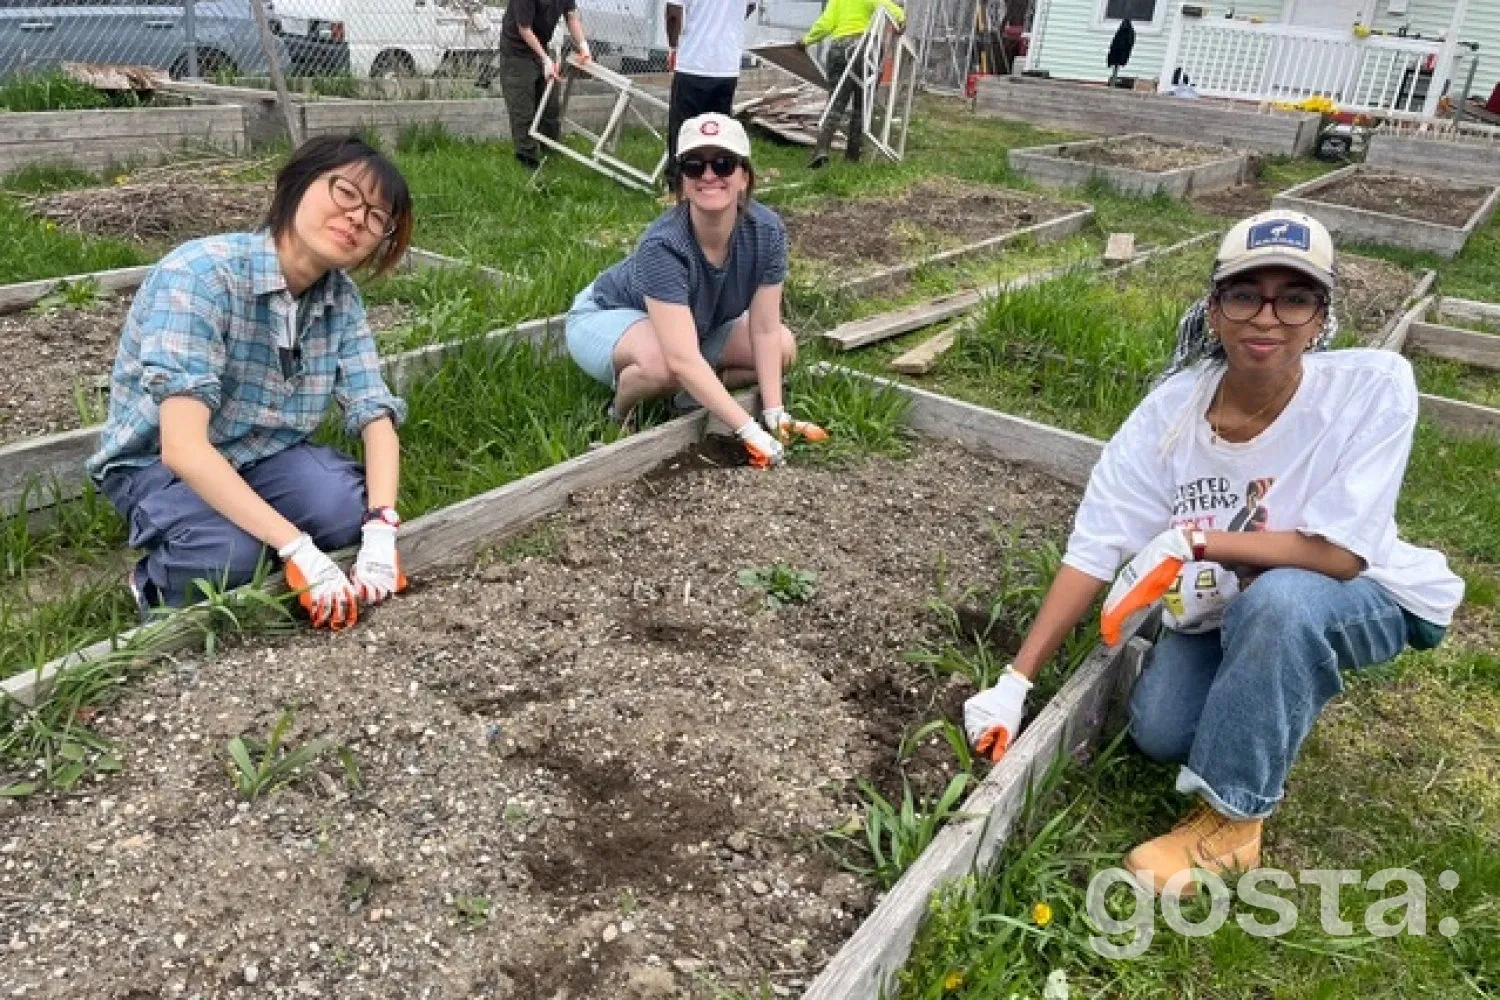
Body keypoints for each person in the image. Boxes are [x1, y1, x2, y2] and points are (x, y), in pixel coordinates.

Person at [961, 210, 1463, 895]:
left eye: (1294, 298)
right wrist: (1015, 683)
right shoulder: (1170, 413)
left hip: (1366, 593)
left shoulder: (1371, 388)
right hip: (1227, 605)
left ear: (1320, 318)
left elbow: (1343, 556)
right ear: (1215, 309)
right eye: (1245, 295)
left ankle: (1233, 821)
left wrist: (1195, 541)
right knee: (1160, 734)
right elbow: (1097, 542)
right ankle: (1271, 686)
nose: (1267, 317)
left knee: (1281, 604)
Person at [86, 136, 417, 631]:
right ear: (298, 184)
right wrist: (297, 547)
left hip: (264, 452)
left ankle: (263, 526)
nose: (356, 219)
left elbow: (374, 412)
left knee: (347, 511)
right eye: (346, 193)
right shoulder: (200, 276)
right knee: (229, 557)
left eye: (376, 218)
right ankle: (151, 581)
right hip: (157, 463)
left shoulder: (340, 300)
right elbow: (182, 448)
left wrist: (381, 528)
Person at [564, 113, 826, 468]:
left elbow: (764, 329)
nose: (709, 175)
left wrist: (775, 414)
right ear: (682, 182)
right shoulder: (663, 246)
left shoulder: (767, 232)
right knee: (663, 366)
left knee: (783, 347)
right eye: (694, 165)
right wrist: (748, 430)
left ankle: (686, 394)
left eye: (723, 163)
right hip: (609, 313)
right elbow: (682, 357)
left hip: (694, 325)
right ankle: (620, 415)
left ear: (744, 177)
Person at [793, 0, 906, 169]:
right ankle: (852, 157)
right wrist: (901, 18)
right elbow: (884, 5)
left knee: (836, 101)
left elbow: (825, 23)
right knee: (861, 106)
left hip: (839, 49)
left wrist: (806, 40)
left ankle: (821, 149)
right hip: (865, 48)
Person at [490, 0, 591, 169]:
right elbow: (524, 28)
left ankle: (551, 149)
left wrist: (583, 46)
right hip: (517, 52)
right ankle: (527, 158)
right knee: (522, 109)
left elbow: (571, 16)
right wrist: (545, 59)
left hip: (541, 46)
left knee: (550, 105)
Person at [664, 0, 758, 169]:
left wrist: (673, 47)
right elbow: (751, 6)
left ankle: (680, 178)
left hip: (693, 62)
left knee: (684, 130)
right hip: (726, 66)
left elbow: (673, 14)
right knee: (718, 132)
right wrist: (727, 23)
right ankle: (717, 173)